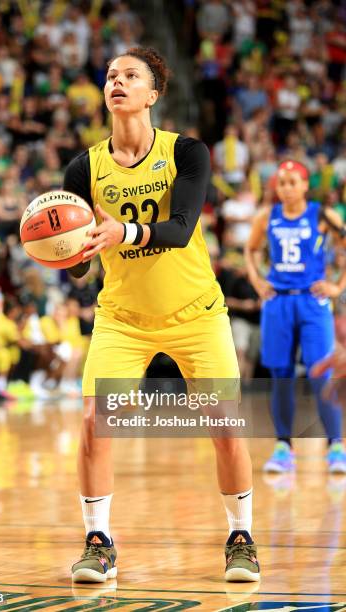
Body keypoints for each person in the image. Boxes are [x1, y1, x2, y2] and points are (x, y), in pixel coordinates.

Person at [63, 47, 260, 584]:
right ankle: (98, 542)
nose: (116, 82)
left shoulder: (188, 153)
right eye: (109, 76)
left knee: (224, 427)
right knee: (93, 424)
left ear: (153, 94)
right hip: (123, 318)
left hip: (196, 313)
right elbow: (80, 272)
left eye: (130, 76)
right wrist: (66, 248)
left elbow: (178, 228)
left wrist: (120, 232)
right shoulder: (83, 167)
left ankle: (241, 537)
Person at [245, 160, 346, 474]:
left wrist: (337, 286)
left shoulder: (321, 214)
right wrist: (258, 282)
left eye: (292, 182)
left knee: (321, 373)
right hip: (278, 303)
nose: (286, 188)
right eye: (281, 183)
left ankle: (336, 447)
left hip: (313, 302)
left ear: (305, 185)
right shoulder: (267, 217)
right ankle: (283, 447)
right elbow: (250, 251)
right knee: (281, 376)